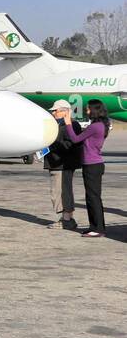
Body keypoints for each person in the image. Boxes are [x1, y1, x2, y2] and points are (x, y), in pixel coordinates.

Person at [59, 99, 111, 238]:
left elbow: (76, 139)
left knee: (93, 198)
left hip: (92, 166)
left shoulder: (95, 126)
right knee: (91, 197)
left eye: (88, 109)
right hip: (93, 165)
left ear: (94, 110)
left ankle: (98, 229)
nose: (87, 111)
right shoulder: (98, 125)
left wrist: (68, 122)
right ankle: (94, 226)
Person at [43, 99, 80, 230]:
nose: (53, 113)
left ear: (65, 111)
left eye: (55, 111)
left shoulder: (72, 125)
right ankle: (67, 218)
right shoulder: (58, 125)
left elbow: (70, 145)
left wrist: (51, 145)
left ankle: (67, 220)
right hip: (55, 163)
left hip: (63, 164)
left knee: (62, 192)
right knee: (58, 192)